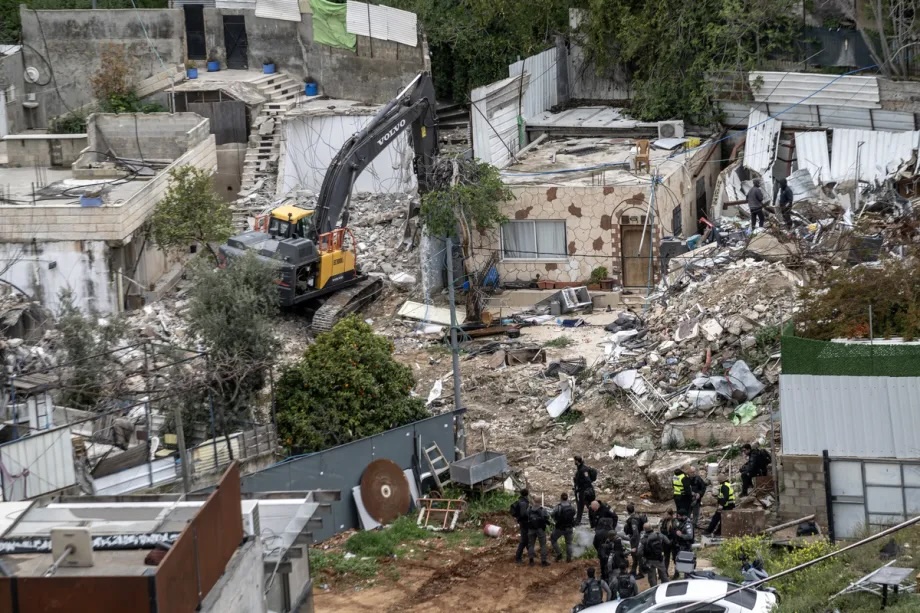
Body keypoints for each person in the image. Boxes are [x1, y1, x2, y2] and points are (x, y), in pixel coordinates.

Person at [639, 523, 670, 587]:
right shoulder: (659, 535)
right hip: (659, 558)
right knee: (663, 574)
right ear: (651, 528)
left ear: (644, 529)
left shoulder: (644, 539)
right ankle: (666, 587)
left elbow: (639, 552)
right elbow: (668, 542)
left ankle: (654, 590)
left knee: (652, 577)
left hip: (649, 560)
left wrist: (643, 558)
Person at [623, 503, 648, 579]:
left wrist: (633, 541)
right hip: (637, 538)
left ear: (627, 511)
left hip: (635, 540)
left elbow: (635, 533)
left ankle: (641, 573)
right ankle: (633, 571)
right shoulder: (637, 516)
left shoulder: (633, 520)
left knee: (638, 556)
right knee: (635, 556)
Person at [551, 492, 576, 562]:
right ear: (567, 498)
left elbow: (552, 514)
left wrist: (556, 520)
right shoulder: (571, 506)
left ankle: (559, 553)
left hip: (560, 528)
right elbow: (574, 513)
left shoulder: (558, 507)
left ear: (561, 498)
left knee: (553, 539)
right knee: (569, 543)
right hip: (570, 527)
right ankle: (569, 558)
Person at [573, 456, 598, 526]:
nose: (574, 462)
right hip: (583, 490)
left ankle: (593, 521)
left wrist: (581, 485)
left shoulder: (583, 469)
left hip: (584, 491)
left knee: (586, 506)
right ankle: (579, 521)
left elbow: (588, 480)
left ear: (577, 461)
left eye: (574, 461)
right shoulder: (581, 468)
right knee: (583, 506)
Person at [526, 502, 551, 566]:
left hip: (531, 529)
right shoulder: (543, 510)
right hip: (540, 529)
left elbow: (526, 516)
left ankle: (531, 561)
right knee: (543, 545)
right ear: (540, 502)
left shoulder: (529, 509)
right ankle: (543, 561)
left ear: (533, 501)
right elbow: (547, 517)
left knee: (531, 545)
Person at [510, 488, 531, 564]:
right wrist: (529, 515)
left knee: (526, 539)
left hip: (523, 522)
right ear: (527, 494)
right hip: (524, 523)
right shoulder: (523, 503)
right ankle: (518, 557)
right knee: (524, 541)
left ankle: (530, 554)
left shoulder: (521, 500)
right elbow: (523, 514)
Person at [673, 509, 695, 578]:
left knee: (686, 562)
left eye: (679, 516)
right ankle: (677, 574)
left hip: (686, 547)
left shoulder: (688, 524)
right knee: (677, 560)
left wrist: (681, 535)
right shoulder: (681, 522)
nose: (678, 517)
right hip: (679, 545)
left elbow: (690, 536)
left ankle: (687, 576)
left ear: (684, 516)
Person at [687, 466, 708, 532]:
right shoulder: (686, 479)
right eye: (691, 472)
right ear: (688, 472)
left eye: (694, 472)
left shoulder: (698, 479)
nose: (693, 473)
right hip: (688, 500)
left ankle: (694, 525)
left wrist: (699, 494)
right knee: (688, 513)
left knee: (696, 513)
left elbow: (703, 487)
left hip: (696, 499)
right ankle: (686, 525)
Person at [660, 509, 681, 577]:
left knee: (675, 558)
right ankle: (665, 572)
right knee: (666, 558)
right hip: (666, 542)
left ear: (670, 515)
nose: (665, 516)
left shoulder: (675, 522)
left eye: (667, 514)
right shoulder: (664, 521)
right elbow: (662, 530)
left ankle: (676, 573)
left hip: (673, 543)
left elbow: (676, 533)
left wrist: (673, 541)